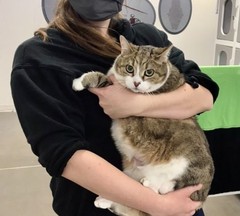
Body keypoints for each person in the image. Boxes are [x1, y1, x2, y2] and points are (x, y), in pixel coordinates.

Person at [10, 0, 219, 215]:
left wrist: (134, 104)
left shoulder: (147, 38)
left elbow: (204, 96)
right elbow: (64, 154)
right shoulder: (38, 57)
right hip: (100, 207)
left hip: (176, 194)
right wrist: (159, 206)